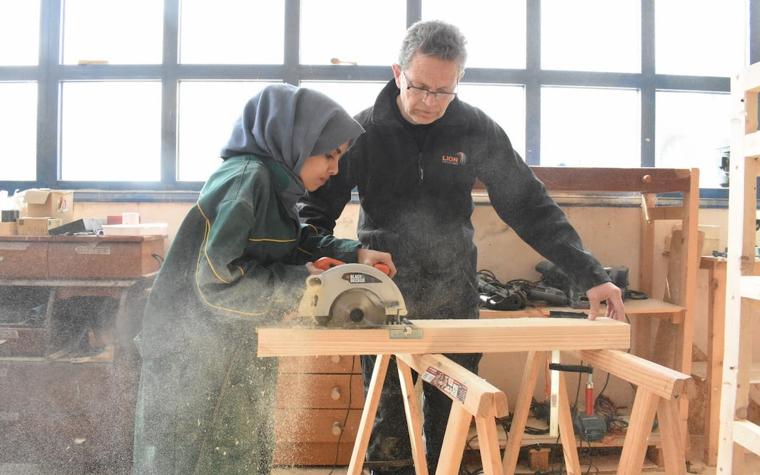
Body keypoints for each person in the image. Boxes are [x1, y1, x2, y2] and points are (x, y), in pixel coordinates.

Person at [298, 20, 625, 474]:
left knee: (452, 425)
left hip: (453, 294)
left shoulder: (474, 129)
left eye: (443, 91)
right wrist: (316, 260)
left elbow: (529, 205)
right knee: (390, 435)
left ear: (459, 81)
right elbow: (313, 213)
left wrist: (592, 276)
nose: (430, 101)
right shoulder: (362, 132)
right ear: (398, 72)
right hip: (382, 298)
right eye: (420, 87)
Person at [132, 84, 396, 474]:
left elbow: (290, 243)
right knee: (196, 461)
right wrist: (302, 286)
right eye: (329, 155)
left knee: (242, 454)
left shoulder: (276, 184)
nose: (336, 169)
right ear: (295, 140)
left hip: (233, 346)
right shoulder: (245, 180)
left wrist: (352, 254)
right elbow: (218, 281)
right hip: (195, 359)